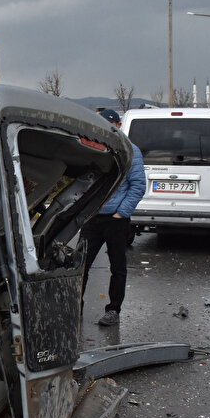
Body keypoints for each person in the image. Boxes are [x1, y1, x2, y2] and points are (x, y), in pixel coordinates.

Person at [82, 111, 146, 326]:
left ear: (118, 125)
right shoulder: (94, 147)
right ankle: (75, 306)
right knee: (80, 265)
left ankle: (113, 311)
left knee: (117, 267)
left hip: (116, 220)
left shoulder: (130, 151)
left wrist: (121, 214)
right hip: (92, 218)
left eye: (110, 124)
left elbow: (138, 186)